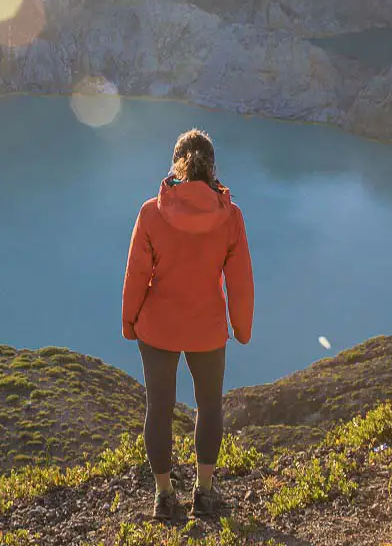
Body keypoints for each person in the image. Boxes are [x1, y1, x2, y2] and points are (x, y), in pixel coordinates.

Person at [121, 128, 255, 521]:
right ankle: (205, 491)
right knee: (208, 407)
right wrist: (241, 329)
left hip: (157, 328)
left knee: (158, 409)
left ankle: (164, 496)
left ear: (176, 166)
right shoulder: (230, 216)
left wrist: (130, 323)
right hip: (207, 329)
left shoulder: (150, 212)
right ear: (212, 167)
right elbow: (240, 280)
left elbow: (136, 276)